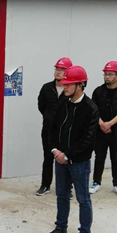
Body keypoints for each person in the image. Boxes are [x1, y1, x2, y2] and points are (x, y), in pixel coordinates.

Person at [46, 66, 99, 233]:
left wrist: (67, 155)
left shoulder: (90, 108)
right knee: (61, 195)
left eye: (69, 84)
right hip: (60, 159)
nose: (64, 86)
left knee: (83, 199)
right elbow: (53, 128)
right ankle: (61, 227)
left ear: (80, 85)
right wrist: (55, 150)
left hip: (78, 162)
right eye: (64, 83)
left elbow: (87, 139)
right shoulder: (63, 103)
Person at [91, 61, 117, 197]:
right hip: (100, 130)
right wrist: (102, 124)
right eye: (105, 74)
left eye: (110, 74)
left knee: (116, 157)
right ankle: (96, 182)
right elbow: (93, 110)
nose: (107, 77)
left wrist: (109, 124)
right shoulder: (98, 91)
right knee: (99, 157)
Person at [36, 57, 72, 196]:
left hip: (65, 131)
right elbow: (41, 106)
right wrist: (49, 117)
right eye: (57, 69)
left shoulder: (71, 90)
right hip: (48, 129)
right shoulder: (47, 88)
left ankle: (67, 188)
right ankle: (45, 185)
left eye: (62, 69)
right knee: (48, 157)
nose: (58, 72)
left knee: (66, 159)